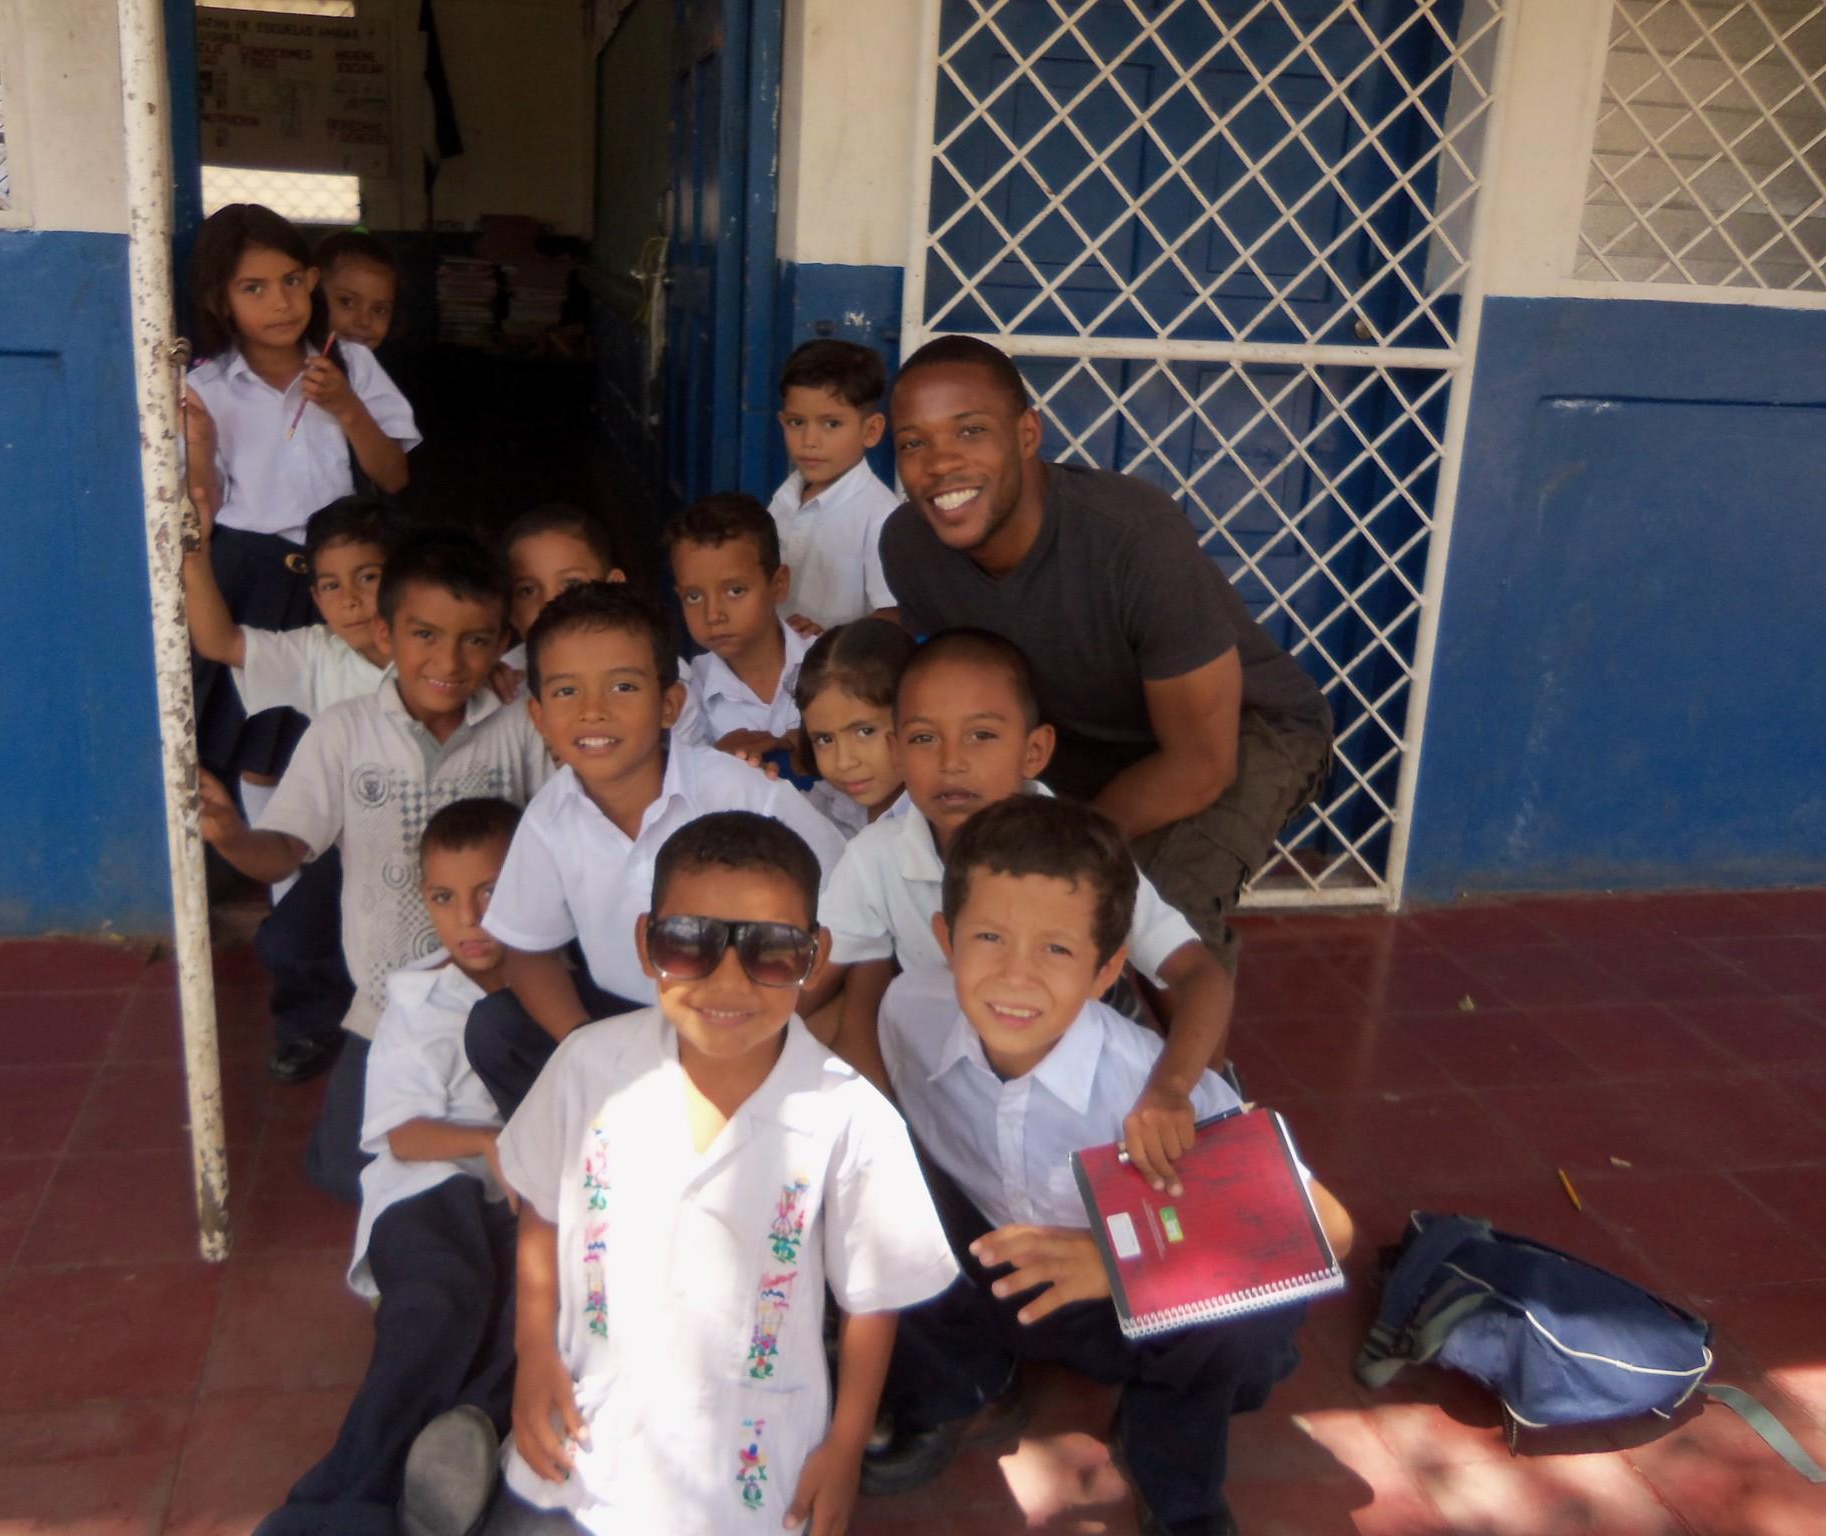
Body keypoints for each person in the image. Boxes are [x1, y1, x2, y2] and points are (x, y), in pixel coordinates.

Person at [401, 812, 961, 1536]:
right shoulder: (588, 1067)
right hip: (589, 1439)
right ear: (645, 943)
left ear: (815, 957)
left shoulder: (849, 1115)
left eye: (771, 951)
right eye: (690, 944)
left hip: (752, 1471)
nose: (728, 982)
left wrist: (846, 1446)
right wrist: (533, 1353)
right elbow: (542, 1205)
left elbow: (872, 1296)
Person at [868, 794, 1353, 1536]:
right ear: (945, 938)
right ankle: (957, 1384)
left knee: (1245, 1325)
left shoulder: (1147, 1088)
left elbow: (1328, 1227)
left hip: (1127, 1300)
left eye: (1057, 950)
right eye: (989, 937)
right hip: (993, 1267)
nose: (1016, 976)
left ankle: (1173, 1469)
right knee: (876, 1174)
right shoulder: (910, 1009)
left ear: (1106, 971)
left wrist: (1119, 1264)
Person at [879, 335, 1334, 971]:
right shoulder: (909, 546)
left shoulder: (1135, 539)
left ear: (1027, 434)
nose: (940, 464)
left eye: (971, 431)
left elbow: (1202, 763)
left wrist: (1063, 842)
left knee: (1152, 908)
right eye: (913, 443)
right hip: (1080, 738)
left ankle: (1191, 1071)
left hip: (1242, 731)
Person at [197, 529, 553, 1202]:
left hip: (504, 995)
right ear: (386, 636)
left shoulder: (520, 725)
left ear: (500, 639)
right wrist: (233, 838)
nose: (449, 658)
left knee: (525, 1153)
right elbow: (283, 852)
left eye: (475, 640)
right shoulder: (345, 731)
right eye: (425, 635)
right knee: (344, 1169)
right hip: (388, 1005)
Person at [812, 632, 1228, 1170]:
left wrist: (1173, 1090)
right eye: (923, 739)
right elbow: (825, 997)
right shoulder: (875, 858)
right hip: (966, 1090)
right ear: (896, 751)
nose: (951, 762)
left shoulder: (1083, 858)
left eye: (981, 735)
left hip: (1084, 1095)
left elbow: (1201, 977)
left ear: (1034, 751)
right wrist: (891, 1145)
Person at [463, 582, 850, 1118]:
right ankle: (580, 1169)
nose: (592, 712)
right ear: (539, 716)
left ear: (670, 704)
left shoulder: (742, 793)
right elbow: (529, 952)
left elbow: (848, 909)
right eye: (567, 692)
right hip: (626, 1021)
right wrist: (585, 1045)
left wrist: (765, 1020)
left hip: (745, 1005)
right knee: (496, 1029)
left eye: (622, 687)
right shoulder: (549, 818)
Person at [256, 799, 523, 1536]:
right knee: (442, 1301)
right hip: (426, 1195)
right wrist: (492, 1145)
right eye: (444, 897)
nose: (468, 918)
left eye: (490, 893)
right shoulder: (417, 997)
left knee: (530, 1316)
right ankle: (331, 1506)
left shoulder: (553, 984)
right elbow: (401, 1134)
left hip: (514, 1201)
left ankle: (453, 1463)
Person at [181, 203, 421, 812]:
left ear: (312, 281)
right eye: (253, 289)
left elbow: (393, 476)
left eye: (291, 282)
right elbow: (200, 501)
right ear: (220, 300)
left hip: (343, 569)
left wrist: (346, 407)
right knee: (256, 727)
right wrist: (201, 448)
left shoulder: (350, 366)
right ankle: (266, 866)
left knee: (338, 719)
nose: (281, 303)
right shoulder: (204, 389)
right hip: (247, 574)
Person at [183, 491, 390, 1084]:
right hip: (350, 844)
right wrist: (196, 556)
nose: (348, 600)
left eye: (369, 577)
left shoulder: (434, 650)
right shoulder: (315, 653)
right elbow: (219, 643)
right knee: (290, 943)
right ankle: (312, 1026)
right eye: (329, 585)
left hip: (432, 831)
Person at [665, 494, 812, 764]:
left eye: (735, 591)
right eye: (694, 597)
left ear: (778, 584)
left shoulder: (829, 666)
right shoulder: (685, 697)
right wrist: (717, 762)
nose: (713, 615)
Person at [769, 340, 901, 635]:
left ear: (871, 430)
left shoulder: (881, 517)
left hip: (836, 673)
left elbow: (894, 615)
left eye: (830, 424)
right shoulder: (785, 497)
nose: (809, 441)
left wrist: (831, 639)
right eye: (796, 422)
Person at [794, 617, 917, 839]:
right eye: (824, 739)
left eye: (865, 732)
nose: (844, 762)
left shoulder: (939, 823)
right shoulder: (821, 807)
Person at [492, 502, 627, 704]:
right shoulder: (500, 688)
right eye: (527, 590)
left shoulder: (656, 675)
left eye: (572, 583)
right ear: (510, 612)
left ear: (614, 588)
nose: (550, 604)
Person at [315, 228, 402, 352]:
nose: (364, 321)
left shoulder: (372, 370)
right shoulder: (289, 365)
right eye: (346, 302)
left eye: (379, 310)